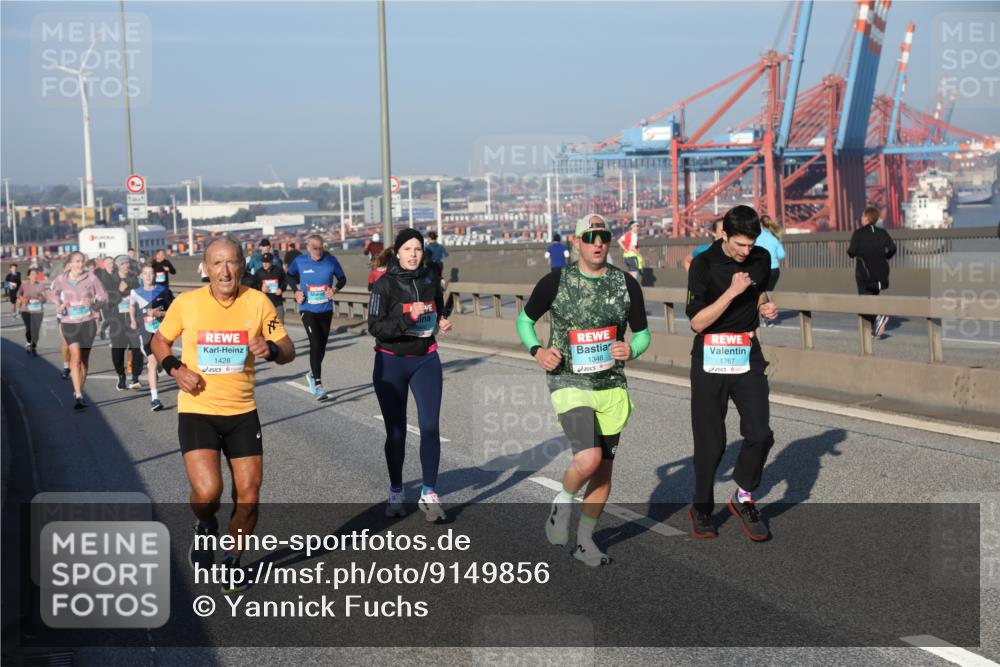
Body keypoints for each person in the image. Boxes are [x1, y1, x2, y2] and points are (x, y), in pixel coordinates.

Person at [151, 236, 294, 592]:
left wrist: (272, 349)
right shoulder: (187, 303)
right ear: (206, 267)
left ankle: (233, 557)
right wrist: (175, 369)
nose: (225, 271)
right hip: (198, 410)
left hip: (242, 412)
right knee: (208, 493)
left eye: (231, 262)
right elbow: (159, 341)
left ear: (242, 265)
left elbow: (288, 348)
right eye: (217, 263)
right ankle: (205, 526)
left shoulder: (258, 302)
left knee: (249, 494)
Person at [518, 214, 650, 567]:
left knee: (604, 471)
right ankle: (562, 502)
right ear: (576, 242)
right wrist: (538, 351)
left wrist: (632, 349)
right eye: (589, 237)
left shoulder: (626, 284)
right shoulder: (556, 282)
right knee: (588, 459)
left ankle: (585, 541)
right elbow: (525, 321)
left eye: (603, 236)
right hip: (568, 381)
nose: (597, 243)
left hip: (610, 386)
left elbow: (642, 333)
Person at [685, 204, 777, 542]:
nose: (745, 252)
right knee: (711, 441)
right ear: (724, 233)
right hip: (710, 354)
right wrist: (732, 291)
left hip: (746, 354)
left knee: (760, 434)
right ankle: (702, 508)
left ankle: (743, 496)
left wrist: (764, 305)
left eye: (751, 244)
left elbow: (759, 291)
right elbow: (697, 322)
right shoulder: (704, 264)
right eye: (739, 244)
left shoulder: (761, 259)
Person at [368, 229, 454, 521]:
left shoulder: (430, 278)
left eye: (417, 249)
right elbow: (375, 327)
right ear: (397, 252)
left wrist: (441, 320)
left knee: (430, 427)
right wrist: (408, 317)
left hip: (426, 360)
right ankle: (396, 490)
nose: (414, 255)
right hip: (391, 363)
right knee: (396, 431)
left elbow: (437, 306)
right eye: (408, 249)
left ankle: (429, 493)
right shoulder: (384, 285)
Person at [285, 234, 347, 399]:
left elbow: (342, 279)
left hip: (326, 309)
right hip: (307, 309)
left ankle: (312, 374)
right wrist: (296, 291)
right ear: (308, 248)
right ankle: (318, 384)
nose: (318, 251)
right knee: (315, 343)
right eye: (315, 248)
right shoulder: (300, 261)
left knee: (322, 346)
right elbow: (289, 275)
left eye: (321, 248)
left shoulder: (331, 260)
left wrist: (334, 290)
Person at [50, 251, 108, 410]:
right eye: (76, 261)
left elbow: (104, 297)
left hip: (87, 322)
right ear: (70, 263)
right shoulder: (61, 279)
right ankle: (78, 395)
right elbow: (53, 293)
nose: (79, 264)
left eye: (82, 261)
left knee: (83, 361)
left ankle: (79, 390)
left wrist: (94, 301)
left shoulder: (91, 278)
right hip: (69, 322)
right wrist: (58, 304)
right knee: (75, 358)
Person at [847, 206, 896, 339]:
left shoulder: (858, 233)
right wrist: (885, 257)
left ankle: (879, 317)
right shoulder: (882, 233)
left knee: (864, 302)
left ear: (867, 217)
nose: (861, 218)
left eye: (863, 216)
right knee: (873, 299)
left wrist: (854, 253)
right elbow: (892, 248)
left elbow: (851, 252)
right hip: (880, 272)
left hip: (864, 273)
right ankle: (875, 328)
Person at [131, 264, 174, 411]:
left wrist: (159, 314)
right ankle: (155, 399)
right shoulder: (135, 292)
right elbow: (131, 306)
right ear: (141, 276)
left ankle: (161, 366)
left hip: (162, 332)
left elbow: (174, 311)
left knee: (160, 362)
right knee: (152, 362)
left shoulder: (163, 291)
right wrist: (132, 319)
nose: (148, 276)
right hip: (146, 332)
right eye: (145, 273)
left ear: (154, 276)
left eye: (151, 273)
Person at [107, 261, 143, 391]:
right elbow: (108, 302)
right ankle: (121, 376)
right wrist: (119, 291)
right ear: (117, 266)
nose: (126, 266)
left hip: (132, 320)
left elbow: (140, 298)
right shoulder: (110, 280)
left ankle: (135, 377)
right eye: (122, 263)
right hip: (117, 321)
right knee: (118, 350)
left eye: (127, 263)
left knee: (136, 348)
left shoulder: (134, 280)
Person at [754, 215, 786, 326]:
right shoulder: (775, 237)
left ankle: (764, 317)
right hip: (775, 270)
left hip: (761, 269)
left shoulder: (756, 237)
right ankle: (768, 317)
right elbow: (782, 255)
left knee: (761, 293)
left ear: (760, 224)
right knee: (768, 292)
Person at [16, 267, 47, 356]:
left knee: (36, 330)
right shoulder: (24, 285)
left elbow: (44, 299)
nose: (34, 275)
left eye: (35, 274)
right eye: (32, 274)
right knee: (29, 328)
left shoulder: (40, 285)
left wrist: (38, 299)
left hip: (38, 311)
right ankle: (29, 342)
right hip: (26, 310)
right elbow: (18, 294)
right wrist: (22, 299)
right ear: (28, 276)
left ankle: (34, 346)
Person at [249, 253, 287, 323]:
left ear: (272, 262)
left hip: (277, 303)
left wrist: (281, 289)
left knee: (280, 325)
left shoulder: (278, 270)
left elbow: (284, 282)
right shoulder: (258, 272)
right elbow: (253, 286)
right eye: (263, 262)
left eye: (267, 262)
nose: (265, 264)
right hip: (264, 304)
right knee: (265, 325)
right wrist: (261, 289)